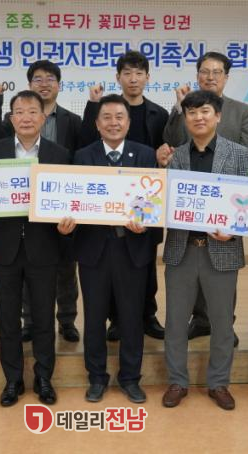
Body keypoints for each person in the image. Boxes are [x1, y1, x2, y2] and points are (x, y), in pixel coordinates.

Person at [159, 90, 248, 411]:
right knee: (175, 322)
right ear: (185, 118)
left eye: (205, 111)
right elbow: (163, 203)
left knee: (222, 323)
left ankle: (219, 383)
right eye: (192, 112)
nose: (199, 117)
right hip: (182, 250)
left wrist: (234, 229)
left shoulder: (239, 154)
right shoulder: (175, 157)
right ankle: (177, 381)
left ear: (218, 116)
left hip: (222, 251)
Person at [67, 95, 159, 404]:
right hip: (94, 250)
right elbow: (75, 201)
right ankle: (96, 377)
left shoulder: (145, 155)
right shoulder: (82, 156)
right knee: (94, 318)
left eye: (119, 117)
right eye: (106, 117)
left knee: (132, 318)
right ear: (97, 123)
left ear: (129, 123)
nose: (113, 123)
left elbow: (153, 200)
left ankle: (130, 378)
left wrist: (145, 224)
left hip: (132, 249)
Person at [0, 60, 82, 343]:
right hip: (17, 217)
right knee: (27, 275)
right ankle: (29, 322)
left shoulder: (71, 121)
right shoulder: (9, 129)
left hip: (56, 214)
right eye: (38, 78)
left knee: (65, 271)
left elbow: (79, 159)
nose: (44, 83)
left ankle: (66, 320)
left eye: (50, 78)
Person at [159, 51, 248, 341]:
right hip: (190, 200)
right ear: (197, 75)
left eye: (217, 72)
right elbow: (172, 142)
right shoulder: (185, 107)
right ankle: (200, 321)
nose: (210, 77)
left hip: (226, 202)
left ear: (226, 77)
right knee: (190, 269)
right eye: (205, 71)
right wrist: (179, 108)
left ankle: (223, 325)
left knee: (221, 270)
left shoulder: (241, 110)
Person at [0, 91, 70, 407]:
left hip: (44, 246)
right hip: (5, 247)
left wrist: (67, 222)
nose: (26, 118)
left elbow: (67, 198)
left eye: (33, 111)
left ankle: (44, 378)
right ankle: (13, 380)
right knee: (8, 319)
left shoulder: (59, 154)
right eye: (19, 112)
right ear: (11, 118)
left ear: (43, 118)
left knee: (44, 317)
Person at [81, 50, 168, 341]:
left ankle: (147, 315)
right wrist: (92, 106)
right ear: (118, 77)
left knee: (144, 264)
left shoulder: (160, 114)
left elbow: (164, 154)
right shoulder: (104, 110)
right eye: (127, 73)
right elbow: (87, 145)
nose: (133, 79)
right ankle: (117, 319)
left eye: (139, 73)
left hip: (145, 201)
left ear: (147, 78)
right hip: (106, 205)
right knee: (109, 268)